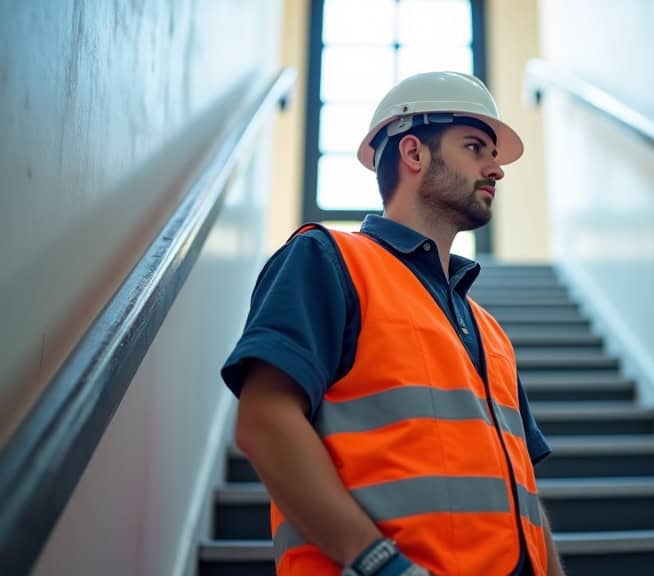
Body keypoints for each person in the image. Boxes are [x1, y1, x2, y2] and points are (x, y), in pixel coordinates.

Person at [221, 71, 566, 576]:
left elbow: (524, 495)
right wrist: (380, 564)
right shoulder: (326, 258)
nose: (497, 169)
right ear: (413, 153)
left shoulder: (488, 329)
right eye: (476, 147)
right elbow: (263, 422)